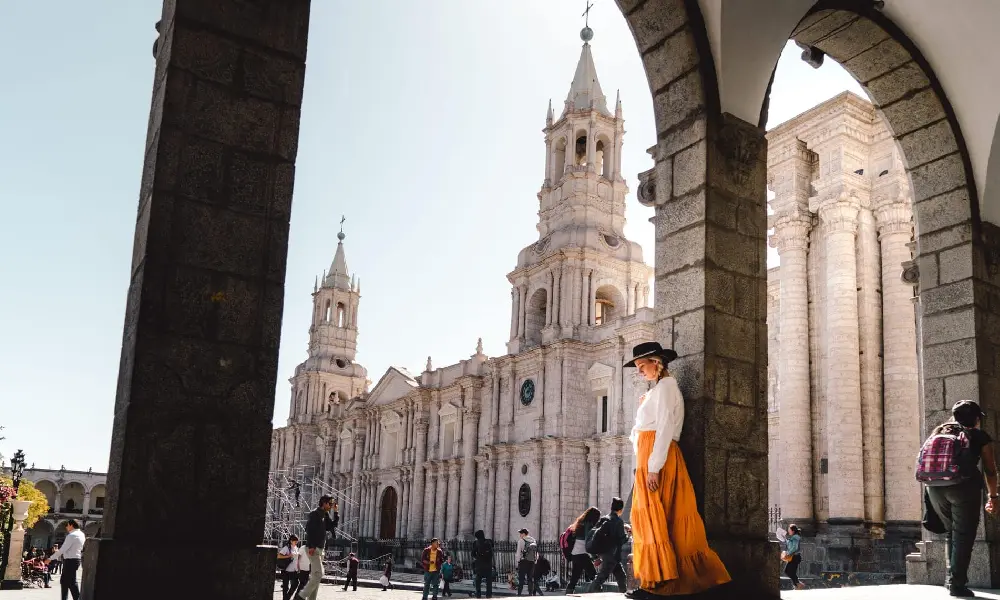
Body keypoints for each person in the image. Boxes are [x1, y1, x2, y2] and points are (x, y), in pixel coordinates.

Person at [625, 342, 731, 598]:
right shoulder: (658, 390)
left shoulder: (666, 387)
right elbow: (641, 433)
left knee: (654, 520)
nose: (640, 372)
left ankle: (658, 583)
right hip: (650, 458)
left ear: (657, 363)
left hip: (655, 459)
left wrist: (653, 467)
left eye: (642, 366)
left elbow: (664, 428)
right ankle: (655, 581)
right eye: (637, 367)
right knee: (654, 520)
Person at [924, 400, 999, 597]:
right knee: (963, 537)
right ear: (975, 418)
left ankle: (951, 581)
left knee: (952, 533)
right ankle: (957, 585)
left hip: (935, 488)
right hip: (963, 488)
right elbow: (990, 470)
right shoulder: (979, 436)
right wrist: (993, 496)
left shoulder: (940, 431)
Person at [296, 497, 339, 600]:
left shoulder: (325, 514)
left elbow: (331, 526)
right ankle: (301, 596)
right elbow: (309, 530)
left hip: (320, 549)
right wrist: (311, 546)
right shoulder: (314, 514)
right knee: (319, 573)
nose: (331, 506)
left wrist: (336, 513)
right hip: (313, 548)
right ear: (324, 503)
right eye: (329, 503)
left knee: (316, 576)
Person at [587, 497, 630, 593]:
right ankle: (588, 594)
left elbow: (596, 535)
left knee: (621, 576)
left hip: (604, 553)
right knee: (601, 577)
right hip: (612, 554)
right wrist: (629, 533)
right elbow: (622, 540)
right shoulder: (618, 521)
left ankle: (623, 593)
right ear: (620, 509)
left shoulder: (604, 519)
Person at [564, 507, 601, 593]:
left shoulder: (580, 523)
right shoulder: (588, 524)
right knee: (594, 576)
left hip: (575, 554)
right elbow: (588, 542)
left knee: (574, 578)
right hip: (582, 554)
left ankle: (568, 594)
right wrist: (595, 557)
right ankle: (598, 594)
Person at [45, 520, 85, 600]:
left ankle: (77, 598)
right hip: (76, 559)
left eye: (67, 525)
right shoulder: (81, 534)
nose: (66, 527)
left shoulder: (71, 535)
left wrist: (50, 558)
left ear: (71, 525)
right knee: (64, 581)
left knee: (72, 582)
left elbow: (62, 549)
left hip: (70, 560)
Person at [278, 535, 302, 600]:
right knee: (285, 587)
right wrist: (288, 556)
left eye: (297, 541)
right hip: (286, 570)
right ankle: (285, 598)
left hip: (294, 570)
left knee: (296, 584)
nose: (296, 542)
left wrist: (298, 568)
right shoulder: (286, 548)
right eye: (295, 541)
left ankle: (287, 597)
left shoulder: (296, 548)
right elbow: (279, 556)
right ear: (291, 541)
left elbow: (296, 559)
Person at [472, 529, 495, 599]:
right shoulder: (489, 541)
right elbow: (492, 549)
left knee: (478, 581)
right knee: (489, 582)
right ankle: (488, 595)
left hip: (479, 565)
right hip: (488, 565)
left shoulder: (476, 543)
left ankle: (478, 594)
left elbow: (472, 554)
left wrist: (478, 558)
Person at [516, 528, 538, 596]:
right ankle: (530, 593)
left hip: (523, 561)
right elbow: (536, 553)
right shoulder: (533, 541)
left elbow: (518, 552)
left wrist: (518, 561)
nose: (520, 535)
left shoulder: (521, 541)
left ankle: (519, 593)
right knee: (530, 578)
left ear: (523, 534)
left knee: (521, 578)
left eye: (520, 533)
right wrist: (535, 560)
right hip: (532, 562)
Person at [782, 525, 804, 590]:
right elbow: (791, 545)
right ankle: (797, 585)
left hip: (795, 557)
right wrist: (785, 539)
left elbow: (795, 547)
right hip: (794, 557)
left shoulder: (795, 537)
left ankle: (798, 584)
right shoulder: (794, 537)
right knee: (790, 572)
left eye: (789, 529)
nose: (788, 531)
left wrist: (788, 553)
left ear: (793, 530)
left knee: (788, 571)